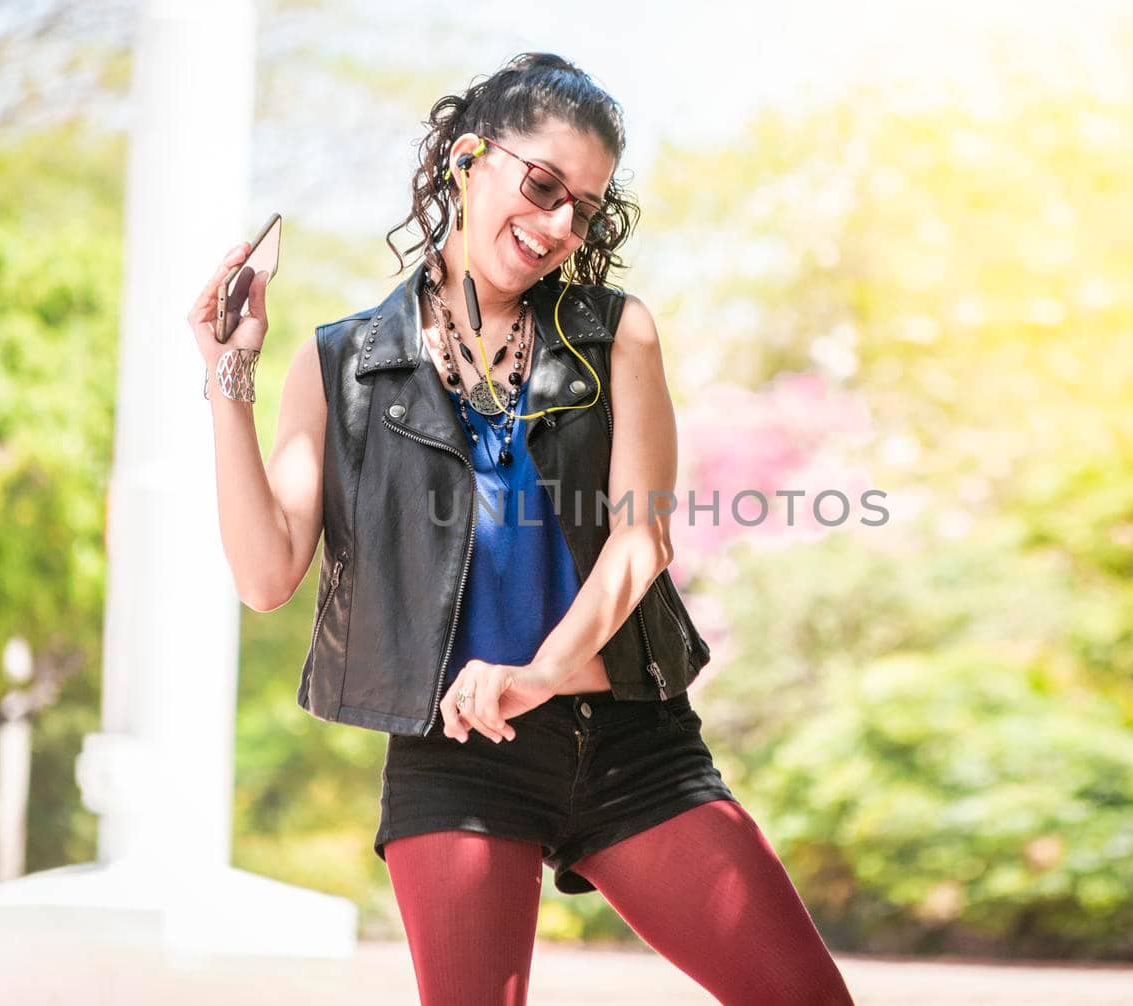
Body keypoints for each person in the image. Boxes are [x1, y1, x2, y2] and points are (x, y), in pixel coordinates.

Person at [186, 52, 853, 1006]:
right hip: (456, 761)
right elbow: (265, 576)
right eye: (541, 185)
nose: (554, 226)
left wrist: (540, 675)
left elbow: (641, 540)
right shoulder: (341, 363)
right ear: (467, 160)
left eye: (580, 208)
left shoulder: (617, 332)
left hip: (631, 740)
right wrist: (227, 378)